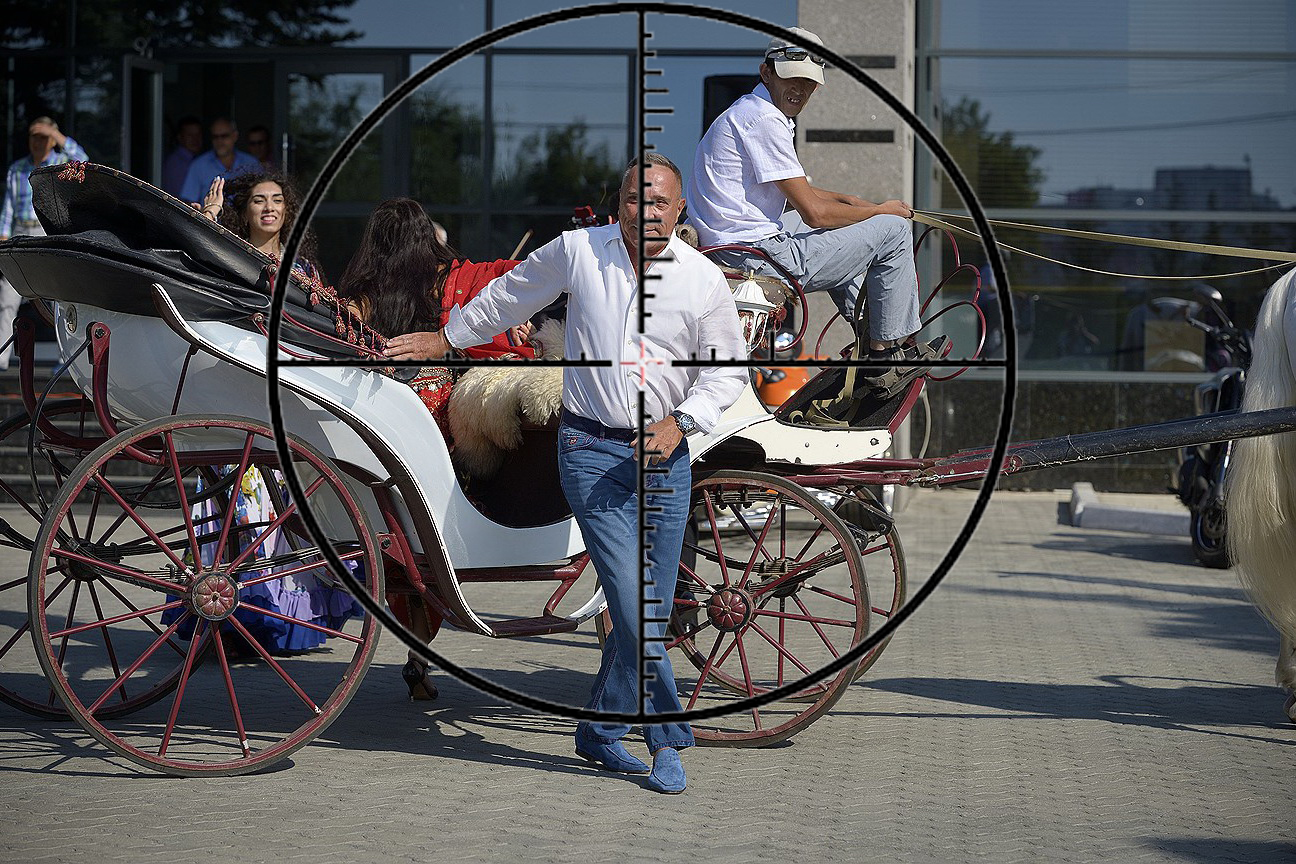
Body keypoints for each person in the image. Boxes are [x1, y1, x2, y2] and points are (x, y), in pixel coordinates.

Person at [384, 153, 748, 794]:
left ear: (680, 208)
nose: (649, 211)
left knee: (650, 611)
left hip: (667, 456)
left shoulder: (703, 281)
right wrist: (448, 339)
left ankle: (599, 732)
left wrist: (682, 424)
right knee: (636, 611)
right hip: (590, 453)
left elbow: (727, 373)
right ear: (621, 205)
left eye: (661, 201)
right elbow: (511, 294)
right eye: (638, 199)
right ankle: (667, 735)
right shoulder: (581, 251)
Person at [336, 197, 537, 700]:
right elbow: (498, 313)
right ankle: (419, 652)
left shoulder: (359, 295)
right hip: (433, 419)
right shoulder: (446, 282)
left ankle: (416, 652)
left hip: (366, 424)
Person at [688, 27, 933, 397]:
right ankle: (887, 351)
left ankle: (869, 333)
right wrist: (884, 213)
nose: (800, 90)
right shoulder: (764, 120)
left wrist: (859, 204)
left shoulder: (747, 112)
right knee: (894, 231)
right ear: (766, 72)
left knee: (847, 232)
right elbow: (815, 213)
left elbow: (804, 195)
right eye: (791, 78)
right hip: (755, 258)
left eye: (809, 82)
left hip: (733, 248)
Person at [188, 170, 363, 656]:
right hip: (233, 383)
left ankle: (281, 623)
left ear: (288, 210)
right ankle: (223, 611)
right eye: (259, 201)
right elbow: (197, 290)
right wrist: (207, 219)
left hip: (289, 390)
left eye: (278, 201)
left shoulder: (304, 269)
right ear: (244, 211)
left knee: (287, 506)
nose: (269, 208)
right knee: (234, 500)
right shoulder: (229, 253)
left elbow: (318, 331)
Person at [0, 116, 88, 370]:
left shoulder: (60, 164)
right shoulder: (17, 168)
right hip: (21, 232)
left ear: (52, 139)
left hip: (47, 231)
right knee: (8, 295)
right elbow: (8, 206)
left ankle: (66, 360)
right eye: (33, 136)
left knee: (57, 296)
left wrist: (56, 134)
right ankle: (2, 359)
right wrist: (3, 237)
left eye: (43, 137)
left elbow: (83, 162)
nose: (37, 142)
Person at [179, 117, 260, 205]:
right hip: (209, 218)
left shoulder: (251, 163)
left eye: (224, 136)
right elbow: (189, 202)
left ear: (235, 136)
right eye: (215, 137)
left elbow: (260, 197)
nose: (219, 141)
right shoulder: (199, 165)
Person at [161, 115, 203, 198]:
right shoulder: (176, 163)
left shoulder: (199, 160)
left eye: (198, 134)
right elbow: (184, 199)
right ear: (180, 137)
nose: (195, 139)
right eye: (190, 135)